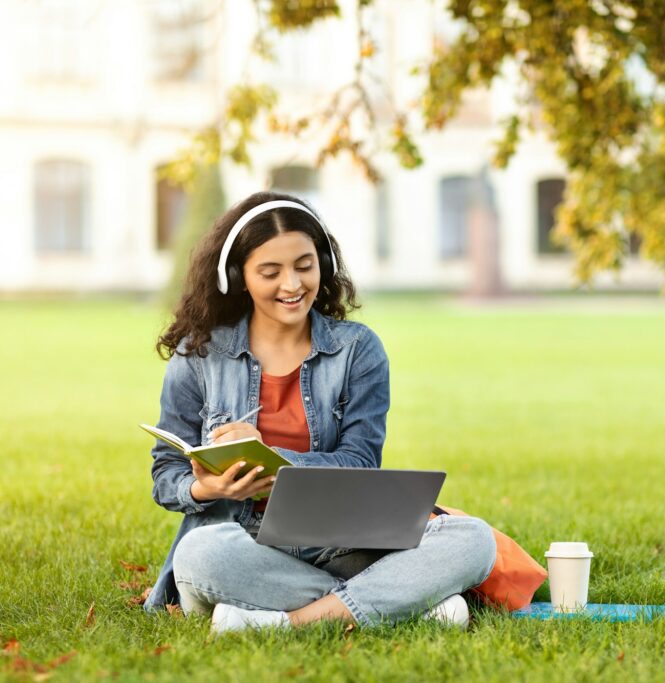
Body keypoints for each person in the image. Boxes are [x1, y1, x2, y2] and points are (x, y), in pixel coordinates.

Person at [143, 190, 496, 632]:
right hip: (241, 538)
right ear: (238, 277)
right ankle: (405, 605)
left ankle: (283, 620)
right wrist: (206, 489)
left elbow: (361, 463)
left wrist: (274, 458)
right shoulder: (199, 355)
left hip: (340, 540)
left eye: (304, 267)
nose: (292, 286)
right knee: (199, 555)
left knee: (474, 540)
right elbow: (165, 476)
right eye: (270, 272)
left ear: (323, 265)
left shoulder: (357, 350)